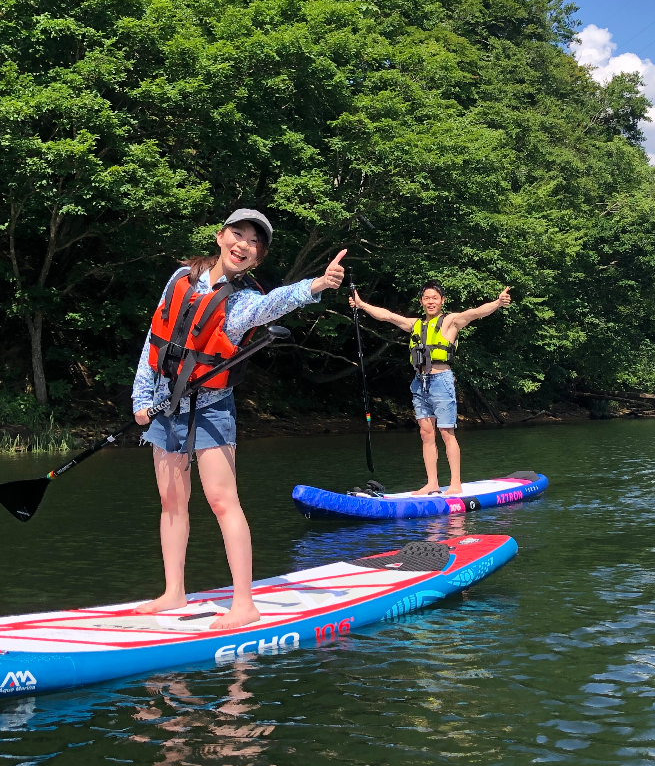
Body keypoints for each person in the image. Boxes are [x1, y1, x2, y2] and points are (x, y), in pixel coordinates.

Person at [130, 208, 346, 626]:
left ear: (258, 258)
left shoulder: (244, 301)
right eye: (237, 234)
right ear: (220, 236)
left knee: (222, 500)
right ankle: (174, 592)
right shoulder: (179, 279)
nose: (243, 244)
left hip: (211, 408)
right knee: (171, 501)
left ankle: (243, 604)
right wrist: (141, 396)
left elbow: (275, 303)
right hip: (164, 404)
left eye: (253, 242)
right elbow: (152, 339)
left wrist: (316, 285)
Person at [348, 281, 511, 494]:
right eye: (427, 298)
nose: (430, 301)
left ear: (442, 300)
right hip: (419, 382)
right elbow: (386, 315)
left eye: (435, 298)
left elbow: (476, 313)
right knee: (426, 433)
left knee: (446, 432)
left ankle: (455, 484)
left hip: (441, 380)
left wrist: (498, 303)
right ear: (421, 301)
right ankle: (432, 483)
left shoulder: (451, 321)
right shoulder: (415, 324)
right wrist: (361, 305)